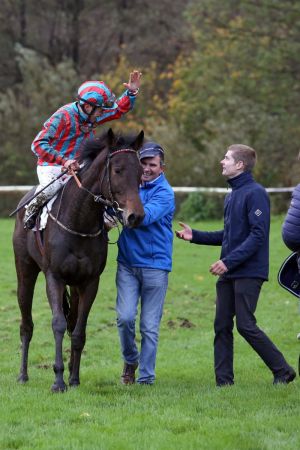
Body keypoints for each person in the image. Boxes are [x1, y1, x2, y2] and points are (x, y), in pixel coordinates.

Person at [176, 144, 296, 386]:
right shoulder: (232, 195)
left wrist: (227, 262)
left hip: (249, 272)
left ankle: (283, 370)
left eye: (227, 158)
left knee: (245, 325)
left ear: (240, 165)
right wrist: (196, 236)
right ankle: (224, 383)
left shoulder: (256, 193)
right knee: (221, 325)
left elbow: (258, 235)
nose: (222, 161)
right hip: (230, 271)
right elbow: (230, 235)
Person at [23, 70, 142, 229]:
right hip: (52, 166)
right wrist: (63, 161)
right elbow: (37, 144)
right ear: (87, 106)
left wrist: (131, 92)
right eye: (100, 109)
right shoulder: (63, 116)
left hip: (79, 165)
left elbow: (118, 109)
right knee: (51, 188)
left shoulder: (92, 113)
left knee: (99, 185)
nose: (102, 112)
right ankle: (32, 211)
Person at [116, 141, 175, 385]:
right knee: (125, 318)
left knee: (149, 327)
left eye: (153, 164)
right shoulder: (130, 186)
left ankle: (146, 378)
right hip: (127, 264)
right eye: (144, 163)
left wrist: (115, 215)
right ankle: (131, 359)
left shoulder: (165, 193)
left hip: (155, 266)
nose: (148, 168)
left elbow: (142, 216)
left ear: (162, 168)